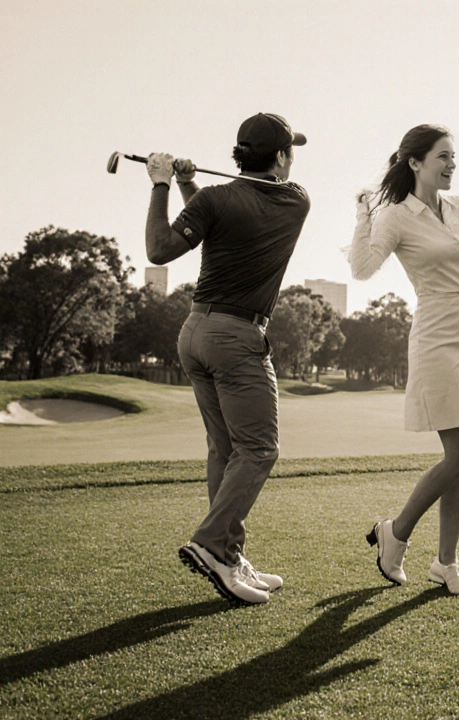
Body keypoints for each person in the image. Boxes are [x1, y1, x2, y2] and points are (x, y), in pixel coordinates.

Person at [349, 124, 459, 596]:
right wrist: (363, 215)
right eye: (443, 157)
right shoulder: (394, 216)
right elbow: (362, 269)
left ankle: (446, 563)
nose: (452, 164)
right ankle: (397, 532)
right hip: (436, 336)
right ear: (415, 162)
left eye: (454, 157)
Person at [144, 113, 311, 605]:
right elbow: (169, 245)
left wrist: (167, 183)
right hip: (237, 336)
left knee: (226, 449)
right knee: (258, 450)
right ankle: (211, 545)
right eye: (290, 150)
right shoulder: (296, 200)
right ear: (279, 157)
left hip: (194, 333)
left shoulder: (217, 198)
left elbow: (163, 246)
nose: (293, 158)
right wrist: (180, 183)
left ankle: (231, 556)